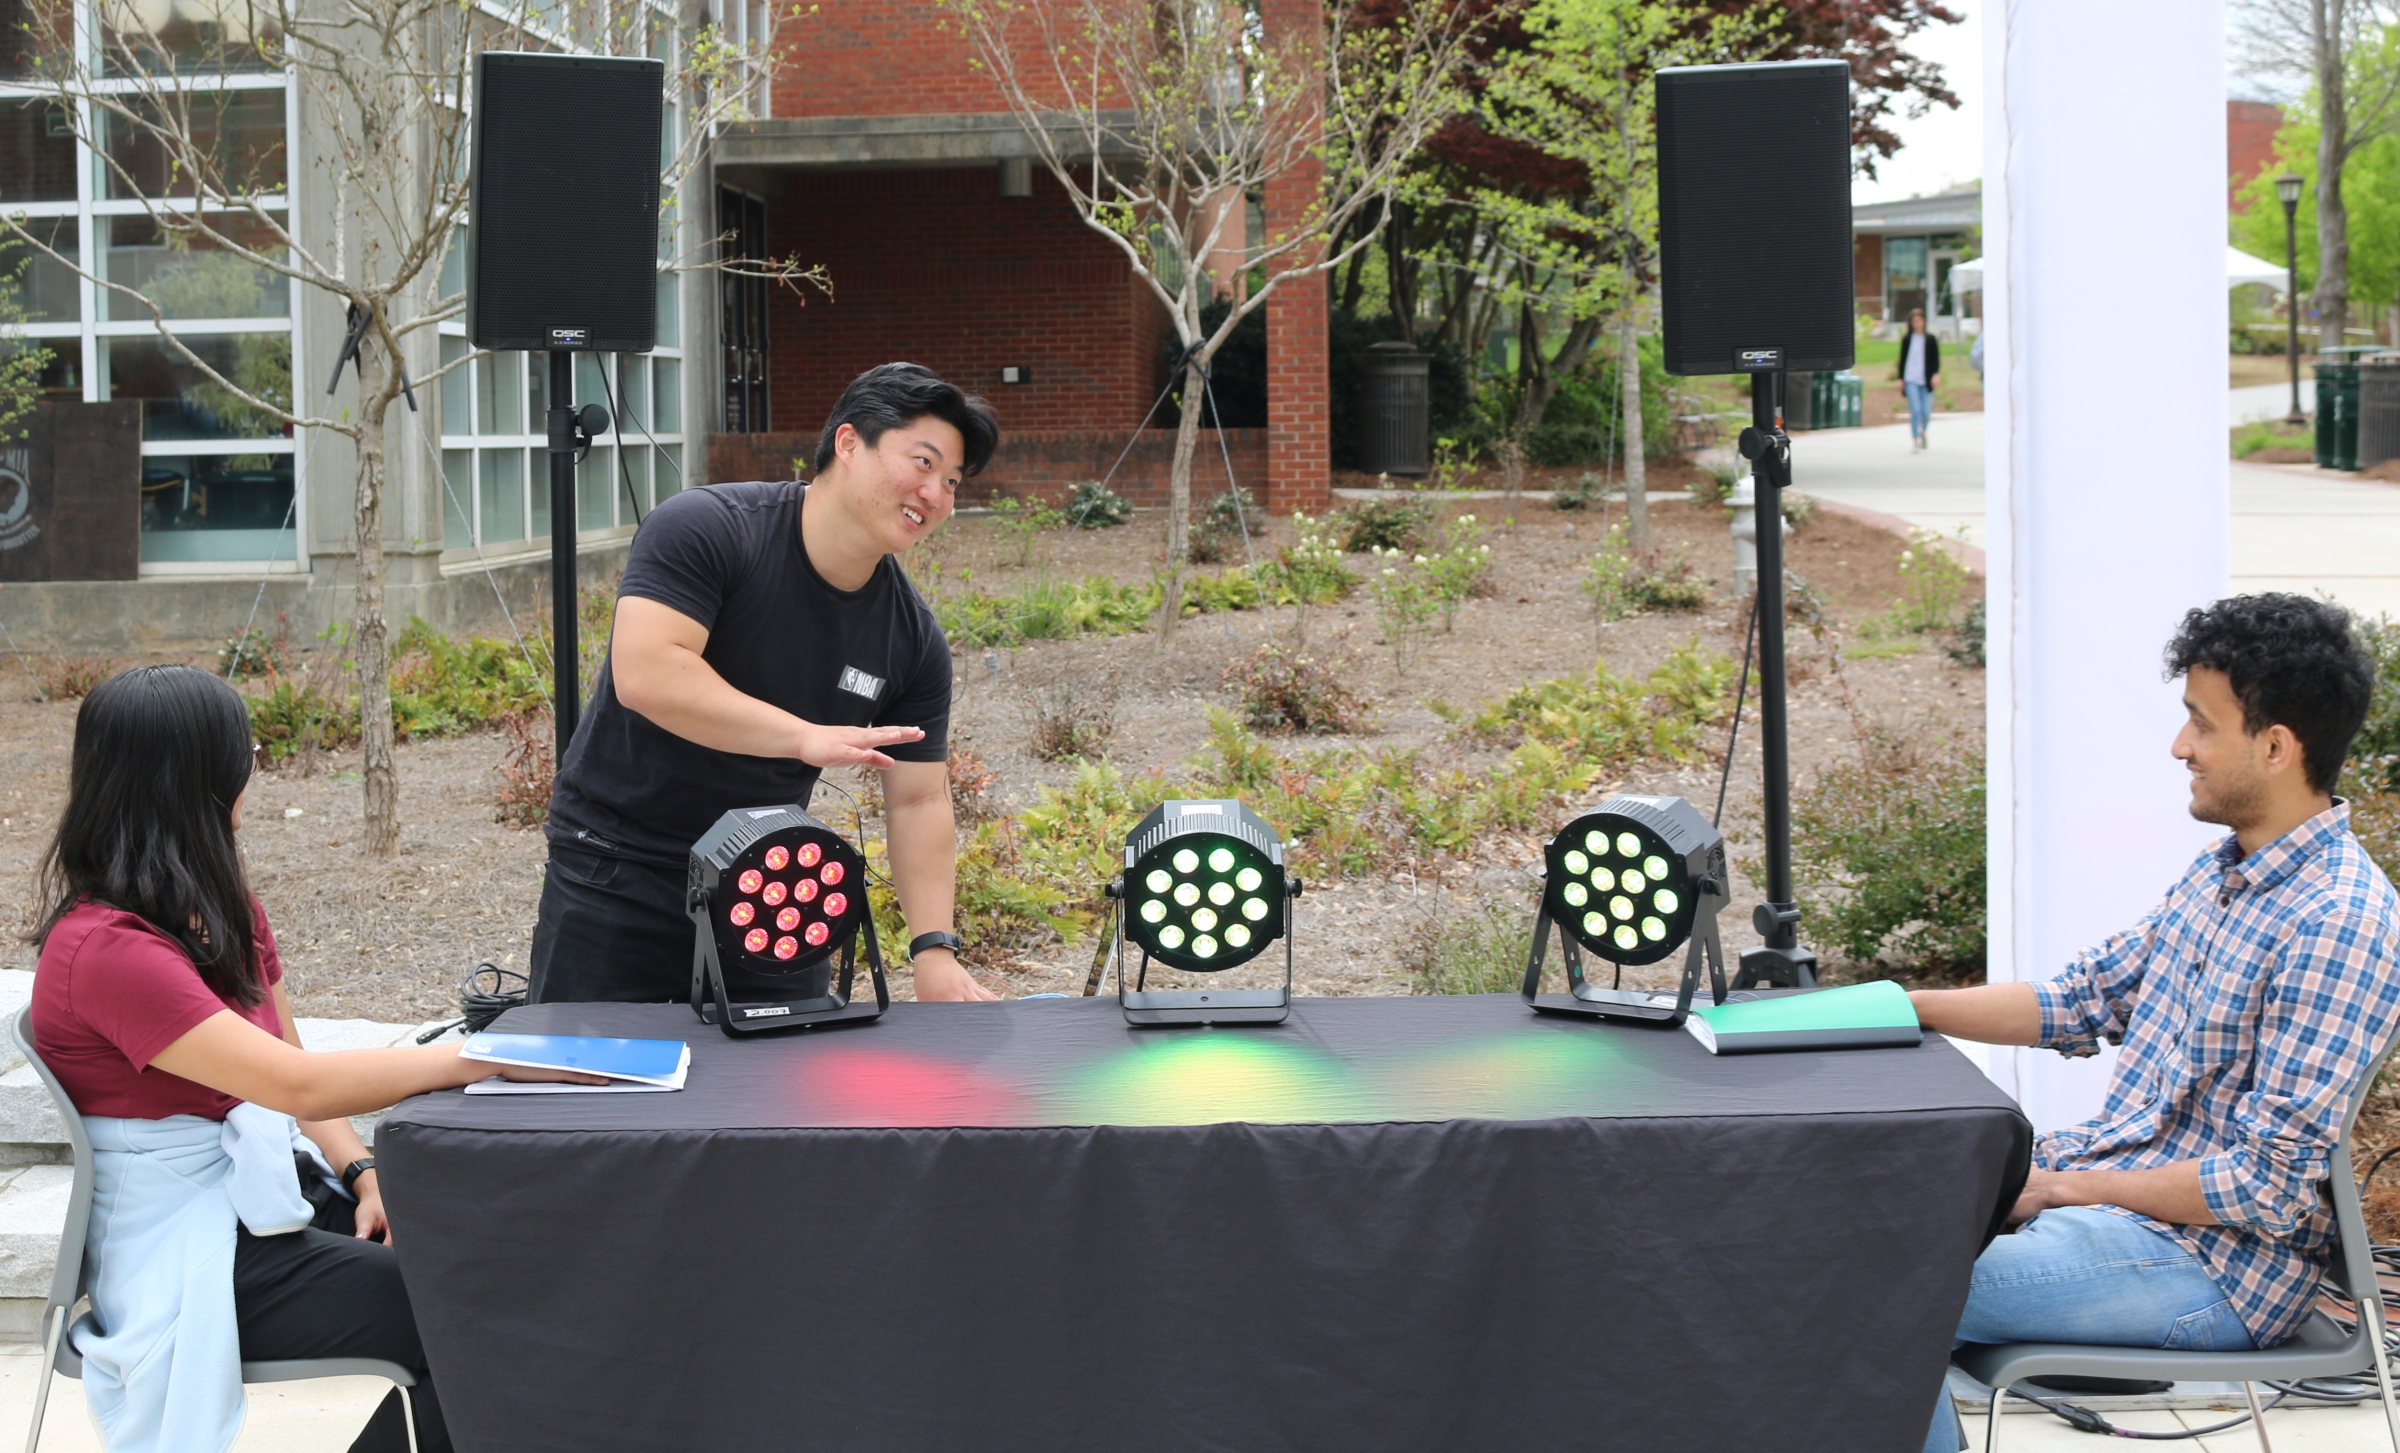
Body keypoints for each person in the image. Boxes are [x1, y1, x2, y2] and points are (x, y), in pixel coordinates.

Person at [27, 666, 595, 1453]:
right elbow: (294, 1080)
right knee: (475, 1314)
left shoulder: (219, 904)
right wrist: (480, 1057)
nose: (251, 770)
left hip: (264, 1192)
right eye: (245, 752)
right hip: (192, 1242)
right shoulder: (105, 951)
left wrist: (364, 1174)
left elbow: (291, 1075)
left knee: (503, 1259)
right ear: (196, 780)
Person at [1911, 594, 2400, 1453]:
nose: (2180, 747)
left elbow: (2264, 1185)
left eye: (2200, 725)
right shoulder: (2224, 877)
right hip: (2121, 1212)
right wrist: (1896, 1006)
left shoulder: (2338, 922)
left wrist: (2064, 1185)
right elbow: (2077, 999)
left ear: (2277, 746)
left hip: (2216, 1270)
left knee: (1884, 1279)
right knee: (1860, 1225)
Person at [533, 362, 1001, 1005]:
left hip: (769, 888)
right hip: (615, 868)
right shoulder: (708, 527)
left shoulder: (913, 640)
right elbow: (646, 671)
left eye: (951, 481)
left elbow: (918, 799)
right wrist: (801, 738)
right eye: (923, 463)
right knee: (577, 1090)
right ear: (847, 443)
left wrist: (934, 951)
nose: (937, 494)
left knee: (780, 1098)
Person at [1900, 308, 1940, 451]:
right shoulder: (1907, 339)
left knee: (1926, 411)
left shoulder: (1930, 339)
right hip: (1911, 378)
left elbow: (1935, 359)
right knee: (1915, 410)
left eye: (1919, 320)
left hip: (1926, 380)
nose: (1916, 323)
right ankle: (1916, 438)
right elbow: (1903, 359)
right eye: (1913, 321)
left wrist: (1935, 374)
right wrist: (1901, 379)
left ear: (1924, 322)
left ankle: (1923, 432)